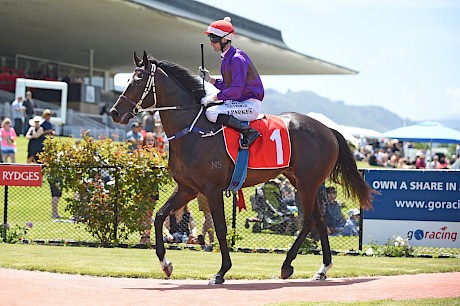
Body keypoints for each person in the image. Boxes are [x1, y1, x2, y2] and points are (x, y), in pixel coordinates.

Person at [199, 17, 263, 149]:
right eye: (210, 38)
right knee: (209, 106)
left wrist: (214, 97)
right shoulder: (228, 57)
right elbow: (228, 85)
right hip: (240, 102)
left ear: (224, 39)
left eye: (213, 39)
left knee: (212, 113)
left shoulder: (236, 59)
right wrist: (209, 79)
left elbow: (235, 90)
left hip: (249, 104)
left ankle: (249, 132)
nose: (211, 43)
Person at [139, 132, 160, 244]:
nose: (150, 142)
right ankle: (143, 235)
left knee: (150, 212)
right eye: (148, 140)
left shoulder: (156, 155)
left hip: (153, 186)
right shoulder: (142, 154)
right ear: (144, 142)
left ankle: (148, 235)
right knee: (143, 212)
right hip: (144, 186)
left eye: (152, 140)